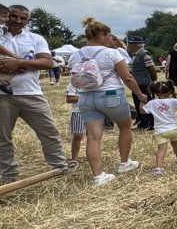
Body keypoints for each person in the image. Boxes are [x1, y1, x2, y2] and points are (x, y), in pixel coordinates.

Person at [0, 5, 70, 184]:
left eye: (23, 18)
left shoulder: (35, 38)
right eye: (14, 17)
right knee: (1, 138)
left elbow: (47, 62)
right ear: (6, 16)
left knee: (49, 132)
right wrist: (8, 66)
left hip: (31, 92)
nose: (18, 21)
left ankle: (59, 169)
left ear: (28, 21)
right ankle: (9, 177)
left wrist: (17, 63)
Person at [67, 17, 147, 185]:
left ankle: (98, 175)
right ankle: (124, 162)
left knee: (93, 137)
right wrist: (140, 95)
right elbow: (127, 77)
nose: (111, 38)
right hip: (111, 95)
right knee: (125, 127)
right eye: (109, 35)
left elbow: (77, 77)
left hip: (86, 97)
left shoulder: (76, 54)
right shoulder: (112, 53)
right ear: (101, 35)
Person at [142, 81, 177, 175]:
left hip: (160, 131)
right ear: (170, 91)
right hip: (173, 129)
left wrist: (141, 101)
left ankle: (159, 168)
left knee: (161, 150)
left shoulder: (152, 103)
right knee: (176, 145)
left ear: (155, 92)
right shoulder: (172, 101)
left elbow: (142, 111)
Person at [127, 36, 158, 130]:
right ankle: (142, 123)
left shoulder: (144, 54)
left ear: (135, 45)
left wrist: (153, 80)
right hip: (138, 84)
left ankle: (148, 124)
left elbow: (152, 68)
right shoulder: (136, 55)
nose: (128, 46)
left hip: (144, 84)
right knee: (138, 104)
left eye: (130, 44)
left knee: (145, 104)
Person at [0, 1, 21, 95]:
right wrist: (13, 55)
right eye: (4, 16)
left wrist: (3, 30)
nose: (7, 19)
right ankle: (2, 81)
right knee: (15, 63)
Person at [65, 82, 85, 172]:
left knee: (94, 136)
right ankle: (74, 158)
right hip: (78, 111)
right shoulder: (74, 83)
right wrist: (85, 99)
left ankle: (93, 155)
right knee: (78, 135)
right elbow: (69, 99)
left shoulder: (96, 81)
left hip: (93, 110)